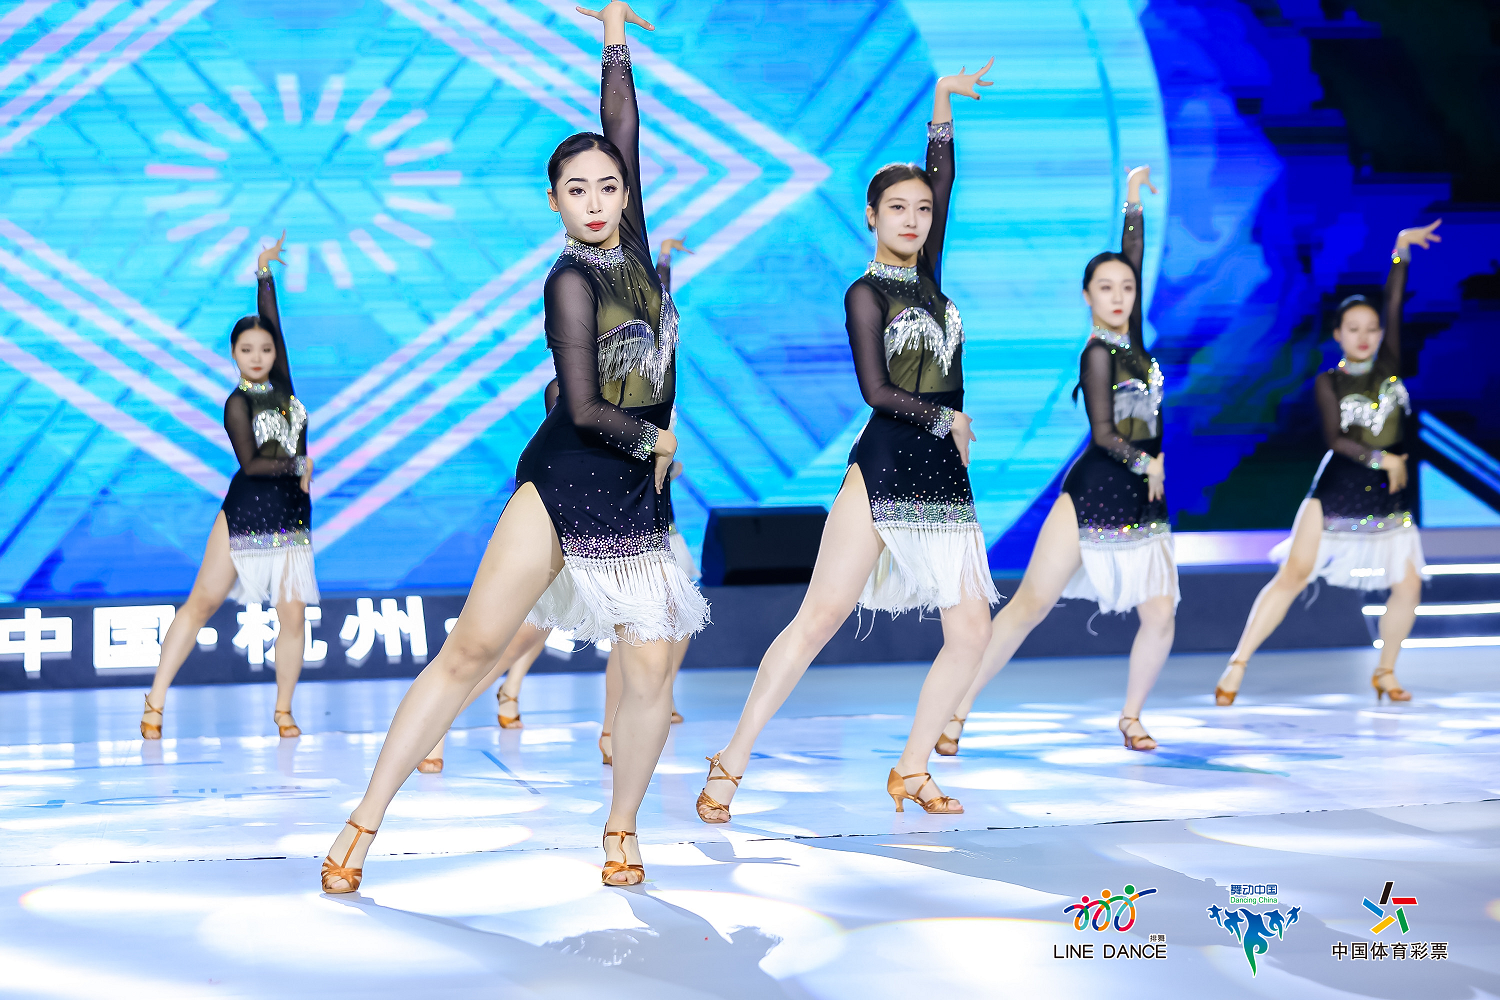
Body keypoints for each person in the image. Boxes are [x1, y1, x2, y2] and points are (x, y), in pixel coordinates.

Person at [318, 1, 705, 894]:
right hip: (568, 478)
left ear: (626, 194)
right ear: (554, 202)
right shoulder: (569, 279)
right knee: (471, 651)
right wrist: (656, 435)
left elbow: (621, 125)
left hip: (637, 495)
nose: (596, 201)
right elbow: (583, 409)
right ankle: (363, 819)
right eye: (577, 190)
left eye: (608, 187)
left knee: (650, 669)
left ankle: (621, 826)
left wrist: (613, 34)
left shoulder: (635, 247)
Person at [696, 62, 998, 824]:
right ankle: (731, 761)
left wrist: (941, 105)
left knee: (972, 631)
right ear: (871, 216)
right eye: (897, 208)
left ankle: (911, 768)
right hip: (889, 462)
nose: (913, 219)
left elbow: (944, 178)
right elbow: (876, 392)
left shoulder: (930, 278)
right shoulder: (866, 293)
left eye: (922, 209)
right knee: (820, 617)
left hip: (943, 475)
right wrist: (947, 420)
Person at [417, 240, 696, 775]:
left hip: (642, 524)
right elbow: (586, 446)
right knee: (508, 640)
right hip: (574, 523)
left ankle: (613, 729)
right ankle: (448, 722)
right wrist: (650, 446)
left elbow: (655, 304)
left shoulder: (653, 375)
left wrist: (663, 263)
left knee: (653, 633)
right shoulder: (568, 391)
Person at [939, 166, 1176, 755]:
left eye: (1126, 288)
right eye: (1106, 289)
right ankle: (956, 710)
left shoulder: (1134, 343)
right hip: (1096, 492)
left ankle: (1132, 718)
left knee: (1161, 611)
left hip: (1143, 501)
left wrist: (1132, 200)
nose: (1119, 296)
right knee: (1030, 605)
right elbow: (1104, 434)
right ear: (1087, 297)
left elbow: (1132, 257)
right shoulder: (1098, 354)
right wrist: (1145, 462)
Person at [1215, 220, 1441, 705]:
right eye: (1353, 329)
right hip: (1337, 489)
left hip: (1387, 496)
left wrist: (1400, 250)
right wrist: (1381, 458)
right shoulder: (1328, 382)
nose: (1364, 336)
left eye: (1372, 329)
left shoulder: (1390, 366)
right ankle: (1238, 662)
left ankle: (1385, 671)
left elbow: (1394, 302)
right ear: (1338, 334)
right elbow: (1336, 439)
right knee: (1294, 574)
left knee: (1408, 585)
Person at [139, 234, 317, 741]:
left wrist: (264, 274)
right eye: (247, 349)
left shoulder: (284, 387)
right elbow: (253, 464)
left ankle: (283, 710)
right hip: (247, 512)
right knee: (202, 602)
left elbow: (271, 322)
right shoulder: (237, 403)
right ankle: (155, 700)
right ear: (234, 355)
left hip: (291, 516)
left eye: (266, 348)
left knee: (293, 617)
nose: (258, 355)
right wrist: (299, 463)